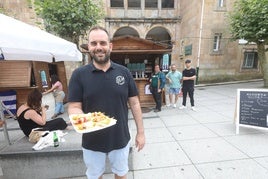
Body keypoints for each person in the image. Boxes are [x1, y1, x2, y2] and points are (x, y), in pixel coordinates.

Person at [68, 26, 145, 179]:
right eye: (94, 43)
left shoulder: (124, 72)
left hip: (120, 137)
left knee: (121, 174)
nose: (98, 47)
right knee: (95, 176)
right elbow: (74, 106)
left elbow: (135, 103)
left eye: (102, 43)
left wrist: (141, 133)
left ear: (110, 46)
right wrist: (84, 120)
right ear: (88, 47)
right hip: (92, 140)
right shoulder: (79, 75)